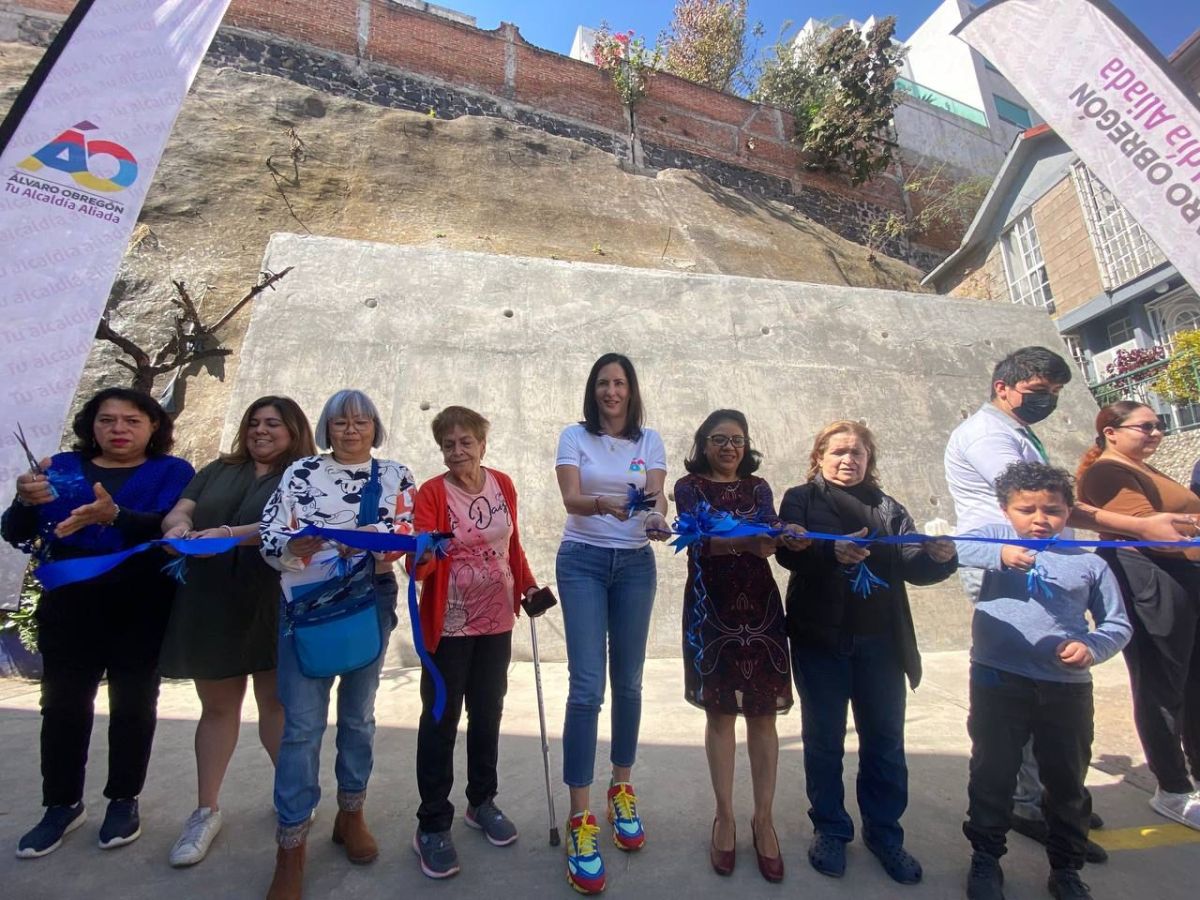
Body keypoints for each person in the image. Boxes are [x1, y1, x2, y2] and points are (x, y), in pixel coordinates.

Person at [944, 346, 1187, 862]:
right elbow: (1041, 500)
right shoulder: (990, 437)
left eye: (1054, 395)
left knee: (1049, 687)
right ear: (1002, 387)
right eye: (1037, 393)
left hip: (1039, 561)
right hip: (1005, 562)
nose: (1046, 402)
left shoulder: (1014, 431)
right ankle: (1026, 802)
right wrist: (1141, 526)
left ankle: (1054, 797)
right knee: (1021, 686)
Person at [2, 388, 194, 858]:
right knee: (63, 706)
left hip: (140, 602)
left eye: (132, 420)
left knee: (133, 704)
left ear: (153, 427)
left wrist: (118, 515)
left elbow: (170, 527)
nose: (119, 429)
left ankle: (123, 800)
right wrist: (25, 504)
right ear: (92, 426)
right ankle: (61, 804)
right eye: (107, 420)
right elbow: (16, 533)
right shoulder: (59, 468)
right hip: (70, 604)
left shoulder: (172, 472)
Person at [776, 420, 957, 885]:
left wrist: (938, 556)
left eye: (857, 453)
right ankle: (831, 830)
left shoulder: (888, 508)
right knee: (824, 741)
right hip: (821, 641)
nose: (848, 460)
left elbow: (912, 565)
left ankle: (885, 834)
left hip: (881, 644)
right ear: (819, 456)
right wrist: (828, 553)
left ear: (869, 460)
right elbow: (789, 553)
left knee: (885, 744)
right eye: (838, 452)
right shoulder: (801, 499)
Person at [258, 389, 416, 900]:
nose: (351, 430)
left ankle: (352, 814)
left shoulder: (394, 475)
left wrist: (375, 542)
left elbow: (407, 528)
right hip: (306, 605)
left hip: (369, 600)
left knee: (358, 716)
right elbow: (269, 533)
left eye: (361, 422)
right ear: (326, 427)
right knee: (301, 726)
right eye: (341, 422)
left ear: (375, 427)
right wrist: (292, 545)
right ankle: (291, 846)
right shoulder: (301, 473)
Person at [957, 462, 1131, 900]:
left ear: (1068, 511)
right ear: (1005, 510)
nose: (1039, 519)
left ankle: (1067, 868)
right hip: (998, 680)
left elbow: (1118, 623)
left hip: (1066, 689)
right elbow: (952, 547)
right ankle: (985, 858)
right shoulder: (996, 538)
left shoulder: (1089, 564)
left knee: (1067, 782)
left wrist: (1093, 647)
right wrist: (999, 555)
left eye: (1051, 510)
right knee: (992, 774)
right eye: (1026, 509)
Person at [158, 396, 317, 867]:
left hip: (271, 600)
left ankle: (291, 800)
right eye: (254, 422)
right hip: (209, 602)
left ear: (293, 430)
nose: (260, 430)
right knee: (218, 708)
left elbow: (289, 526)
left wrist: (227, 533)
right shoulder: (216, 469)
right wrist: (179, 526)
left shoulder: (305, 474)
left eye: (273, 423)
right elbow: (180, 510)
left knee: (276, 704)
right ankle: (205, 810)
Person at [673, 409, 808, 882]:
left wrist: (786, 536)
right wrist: (748, 544)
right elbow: (696, 539)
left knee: (763, 715)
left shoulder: (759, 486)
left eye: (737, 439)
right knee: (721, 714)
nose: (729, 447)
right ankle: (726, 817)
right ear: (703, 443)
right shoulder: (689, 486)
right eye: (718, 439)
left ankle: (764, 820)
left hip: (761, 610)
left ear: (746, 445)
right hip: (712, 608)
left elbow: (770, 529)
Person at [554, 353, 671, 895]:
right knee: (586, 688)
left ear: (632, 389)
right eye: (603, 383)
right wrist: (607, 504)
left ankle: (621, 789)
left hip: (634, 567)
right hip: (582, 560)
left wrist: (654, 520)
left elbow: (655, 497)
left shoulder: (650, 441)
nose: (611, 391)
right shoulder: (573, 437)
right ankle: (581, 817)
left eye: (620, 382)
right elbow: (573, 500)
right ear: (593, 389)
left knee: (628, 683)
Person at [409, 406, 540, 878]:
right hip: (448, 626)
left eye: (466, 442)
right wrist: (420, 554)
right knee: (441, 719)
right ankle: (432, 823)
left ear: (483, 444)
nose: (457, 451)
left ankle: (481, 802)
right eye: (449, 444)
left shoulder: (502, 484)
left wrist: (527, 587)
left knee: (488, 713)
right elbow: (418, 564)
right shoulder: (431, 493)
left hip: (497, 620)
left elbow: (511, 544)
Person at [1077, 402, 1200, 830]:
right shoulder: (1108, 472)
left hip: (1182, 576)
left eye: (1159, 425)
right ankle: (1173, 788)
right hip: (1149, 577)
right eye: (1145, 426)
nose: (1156, 433)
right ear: (1111, 431)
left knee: (1192, 680)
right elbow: (1160, 534)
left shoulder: (1143, 469)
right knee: (1161, 683)